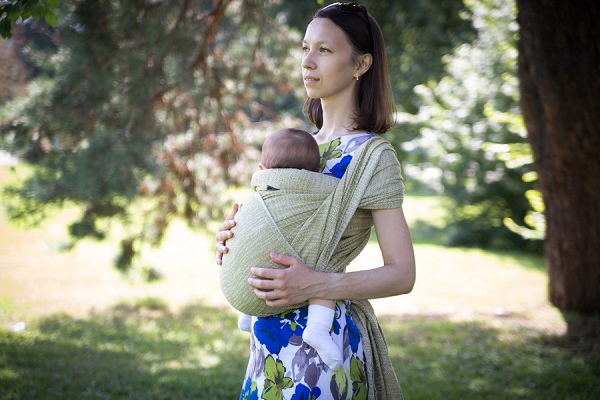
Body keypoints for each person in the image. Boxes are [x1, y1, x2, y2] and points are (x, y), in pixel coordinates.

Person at [216, 3, 416, 399]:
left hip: (320, 352)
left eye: (324, 50)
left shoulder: (372, 157)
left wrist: (317, 283)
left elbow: (402, 273)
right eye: (305, 48)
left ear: (361, 64)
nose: (308, 62)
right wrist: (235, 239)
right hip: (267, 340)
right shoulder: (297, 145)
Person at [233, 127, 344, 370]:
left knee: (255, 255)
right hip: (302, 258)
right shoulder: (327, 191)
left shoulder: (259, 198)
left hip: (261, 261)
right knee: (326, 262)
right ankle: (317, 328)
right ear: (317, 172)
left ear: (262, 170)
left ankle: (247, 311)